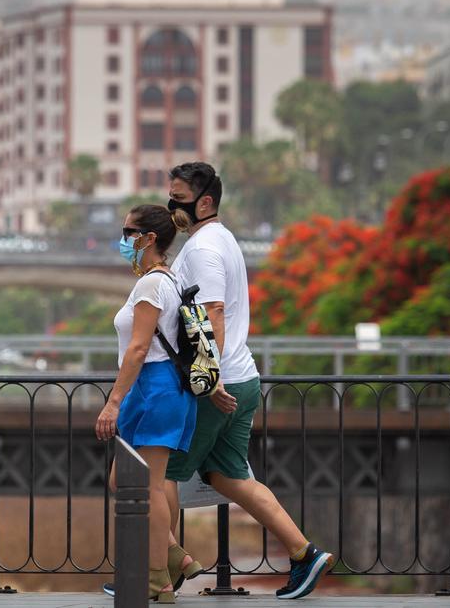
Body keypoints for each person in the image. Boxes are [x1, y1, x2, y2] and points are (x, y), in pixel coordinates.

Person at [164, 162, 335, 600]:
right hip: (243, 377)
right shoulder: (221, 240)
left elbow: (213, 313)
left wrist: (209, 376)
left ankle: (157, 575)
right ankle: (302, 553)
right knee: (227, 475)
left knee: (160, 473)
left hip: (218, 383)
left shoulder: (202, 249)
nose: (171, 204)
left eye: (178, 195)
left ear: (204, 202)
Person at [95, 204, 198, 604]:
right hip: (161, 388)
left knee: (150, 487)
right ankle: (176, 556)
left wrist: (112, 402)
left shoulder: (152, 285)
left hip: (153, 387)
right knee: (123, 481)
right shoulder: (167, 280)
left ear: (149, 238)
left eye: (128, 232)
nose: (123, 240)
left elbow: (138, 348)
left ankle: (157, 579)